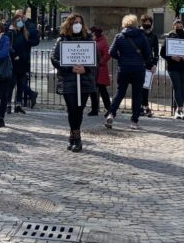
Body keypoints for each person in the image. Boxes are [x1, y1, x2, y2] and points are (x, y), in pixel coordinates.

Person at [50, 14, 96, 152]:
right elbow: (54, 58)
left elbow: (96, 60)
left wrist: (85, 68)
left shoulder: (88, 39)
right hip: (68, 80)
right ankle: (75, 136)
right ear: (69, 24)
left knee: (79, 109)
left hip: (85, 81)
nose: (77, 24)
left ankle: (75, 137)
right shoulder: (62, 40)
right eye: (75, 22)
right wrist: (69, 67)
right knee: (72, 109)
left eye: (80, 22)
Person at [106, 14, 153, 130]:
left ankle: (111, 113)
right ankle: (134, 121)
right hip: (138, 69)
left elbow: (111, 52)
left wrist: (121, 58)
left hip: (124, 68)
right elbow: (148, 54)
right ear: (136, 23)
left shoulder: (119, 36)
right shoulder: (141, 36)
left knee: (120, 92)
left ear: (124, 24)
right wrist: (143, 60)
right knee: (137, 95)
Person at [160, 18, 184, 120]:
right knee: (177, 86)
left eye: (181, 26)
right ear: (173, 26)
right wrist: (171, 57)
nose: (179, 28)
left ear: (183, 26)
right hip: (173, 67)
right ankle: (179, 109)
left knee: (183, 87)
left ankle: (179, 109)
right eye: (177, 26)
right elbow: (162, 52)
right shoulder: (169, 37)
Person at [8, 9, 40, 113]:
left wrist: (27, 43)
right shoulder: (11, 32)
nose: (19, 21)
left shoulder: (26, 32)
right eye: (17, 19)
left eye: (20, 19)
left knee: (21, 85)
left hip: (23, 61)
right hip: (14, 61)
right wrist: (14, 55)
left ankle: (18, 105)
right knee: (11, 84)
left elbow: (34, 41)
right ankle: (8, 105)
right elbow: (8, 46)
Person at [87, 26, 111, 117]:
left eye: (91, 33)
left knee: (102, 90)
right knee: (92, 90)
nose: (90, 35)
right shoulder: (92, 41)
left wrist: (100, 62)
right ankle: (94, 109)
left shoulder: (102, 42)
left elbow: (107, 54)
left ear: (95, 34)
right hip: (93, 69)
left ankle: (109, 109)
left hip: (100, 69)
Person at [138, 15, 159, 117]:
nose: (147, 24)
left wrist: (154, 64)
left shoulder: (153, 36)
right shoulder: (137, 33)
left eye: (149, 22)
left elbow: (156, 52)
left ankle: (145, 105)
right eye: (145, 22)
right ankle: (139, 106)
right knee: (138, 86)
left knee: (145, 86)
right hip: (137, 63)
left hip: (148, 64)